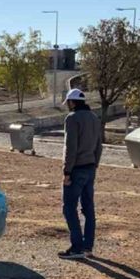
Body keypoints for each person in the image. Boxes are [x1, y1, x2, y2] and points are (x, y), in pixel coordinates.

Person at [59, 88, 102, 260]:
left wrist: (67, 171)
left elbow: (71, 147)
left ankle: (76, 246)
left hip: (76, 169)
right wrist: (95, 164)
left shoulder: (72, 118)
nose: (68, 106)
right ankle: (87, 247)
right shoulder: (94, 118)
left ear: (72, 102)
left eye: (68, 102)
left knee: (69, 207)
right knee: (88, 208)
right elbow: (99, 145)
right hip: (90, 167)